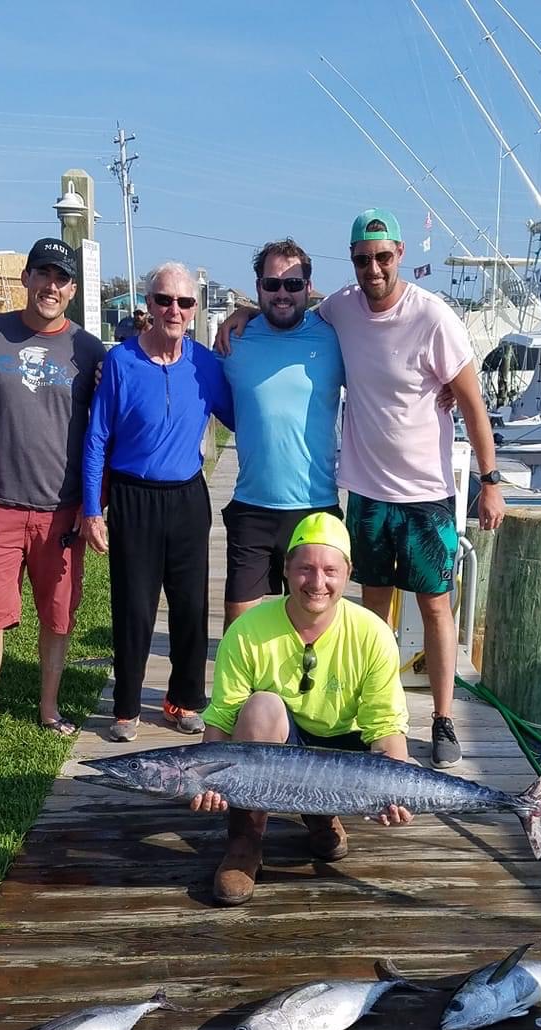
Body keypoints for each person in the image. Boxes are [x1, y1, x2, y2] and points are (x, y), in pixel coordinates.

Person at [219, 208, 505, 770]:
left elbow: (471, 402)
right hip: (366, 492)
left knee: (437, 607)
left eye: (382, 257)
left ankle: (443, 718)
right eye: (361, 259)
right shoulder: (340, 311)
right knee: (371, 616)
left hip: (426, 493)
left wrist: (490, 482)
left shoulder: (433, 315)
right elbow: (287, 304)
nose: (373, 268)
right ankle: (379, 716)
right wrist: (246, 309)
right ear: (350, 265)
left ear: (399, 254)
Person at [195, 510, 411, 906]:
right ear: (287, 569)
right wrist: (208, 777)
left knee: (368, 762)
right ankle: (246, 838)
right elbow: (223, 716)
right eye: (305, 569)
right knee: (261, 707)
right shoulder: (247, 630)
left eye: (330, 570)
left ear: (348, 572)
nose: (317, 582)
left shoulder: (374, 633)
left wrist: (397, 790)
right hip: (280, 741)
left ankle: (322, 814)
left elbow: (385, 725)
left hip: (344, 749)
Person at [0, 237, 106, 754]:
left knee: (58, 614)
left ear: (72, 289)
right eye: (43, 274)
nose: (51, 286)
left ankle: (49, 706)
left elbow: (102, 433)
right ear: (27, 278)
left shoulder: (89, 349)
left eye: (61, 278)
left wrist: (91, 503)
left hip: (62, 509)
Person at [81, 261, 235, 744]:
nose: (174, 309)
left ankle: (184, 699)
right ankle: (126, 705)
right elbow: (95, 439)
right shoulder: (122, 362)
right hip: (133, 498)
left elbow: (244, 416)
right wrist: (90, 509)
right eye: (163, 300)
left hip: (188, 498)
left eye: (184, 302)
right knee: (134, 607)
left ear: (194, 309)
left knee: (191, 608)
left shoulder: (205, 364)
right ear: (147, 305)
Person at [220, 238, 344, 630]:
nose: (282, 293)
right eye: (272, 284)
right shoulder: (234, 338)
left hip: (316, 506)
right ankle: (239, 695)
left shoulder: (334, 336)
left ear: (309, 287)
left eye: (293, 284)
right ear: (258, 287)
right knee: (239, 625)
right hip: (251, 505)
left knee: (314, 623)